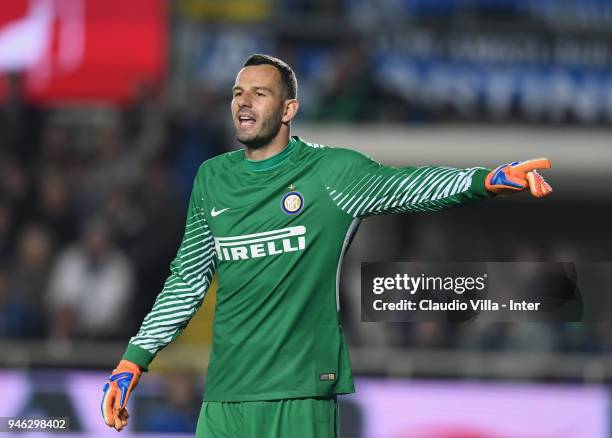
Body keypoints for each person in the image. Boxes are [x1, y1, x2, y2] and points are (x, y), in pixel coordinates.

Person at [101, 54, 553, 437]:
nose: (243, 101)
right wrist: (133, 360)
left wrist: (485, 181)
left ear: (288, 109)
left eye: (259, 93)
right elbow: (187, 280)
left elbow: (411, 186)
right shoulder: (212, 179)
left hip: (301, 395)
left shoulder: (331, 174)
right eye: (238, 92)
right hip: (225, 397)